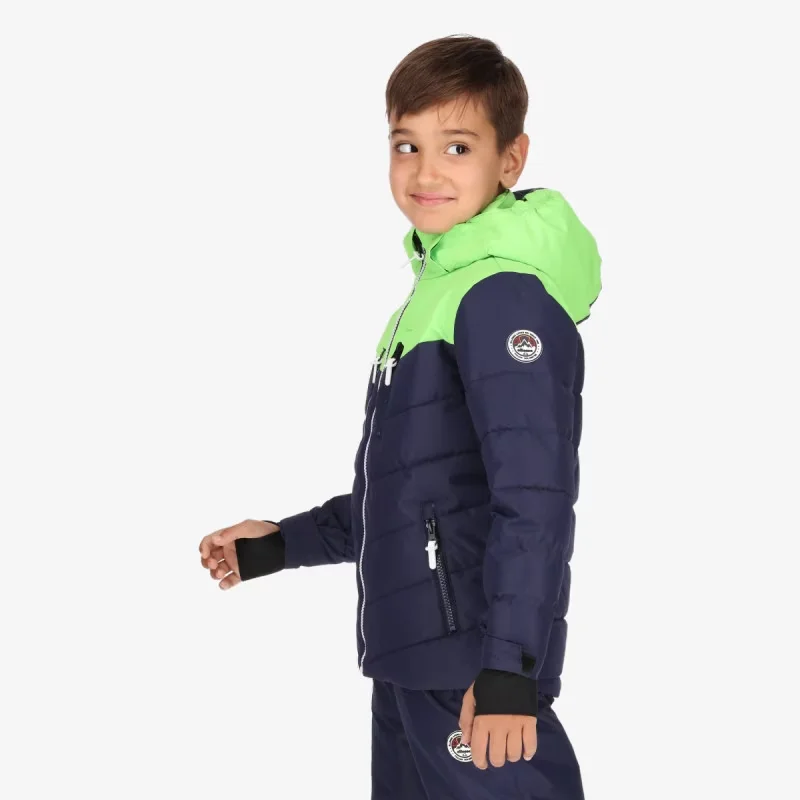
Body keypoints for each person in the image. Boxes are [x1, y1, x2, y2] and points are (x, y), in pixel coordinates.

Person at [198, 33, 601, 800]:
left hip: (472, 671)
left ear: (511, 160)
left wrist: (510, 669)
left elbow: (535, 499)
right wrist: (281, 544)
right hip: (414, 664)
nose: (426, 172)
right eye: (406, 145)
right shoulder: (431, 298)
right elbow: (416, 500)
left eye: (458, 147)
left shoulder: (501, 297)